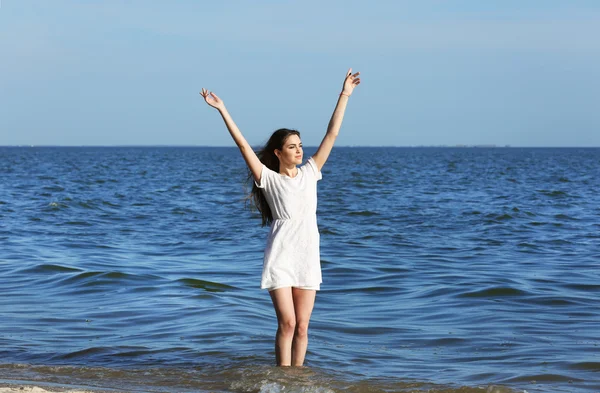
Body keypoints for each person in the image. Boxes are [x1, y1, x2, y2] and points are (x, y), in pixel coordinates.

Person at [200, 68, 361, 366]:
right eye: (292, 147)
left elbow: (332, 134)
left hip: (308, 254)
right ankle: (281, 377)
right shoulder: (268, 179)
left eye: (300, 146)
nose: (299, 151)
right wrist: (222, 109)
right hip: (281, 256)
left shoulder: (311, 173)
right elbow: (243, 145)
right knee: (287, 324)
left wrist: (345, 94)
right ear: (278, 152)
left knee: (302, 327)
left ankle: (297, 379)